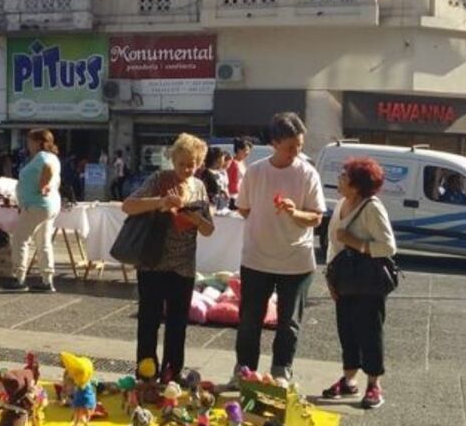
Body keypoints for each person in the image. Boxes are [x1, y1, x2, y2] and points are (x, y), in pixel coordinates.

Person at [235, 112, 325, 387]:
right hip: (256, 258)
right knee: (250, 320)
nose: (295, 152)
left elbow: (317, 217)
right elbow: (243, 208)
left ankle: (281, 371)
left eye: (299, 146)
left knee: (289, 323)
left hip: (296, 260)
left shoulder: (307, 172)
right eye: (290, 147)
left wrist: (294, 212)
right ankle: (244, 371)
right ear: (274, 143)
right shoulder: (256, 171)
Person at [122, 133, 214, 384]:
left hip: (183, 266)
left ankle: (173, 371)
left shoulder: (199, 187)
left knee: (178, 324)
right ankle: (146, 371)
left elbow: (208, 229)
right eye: (182, 163)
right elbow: (128, 206)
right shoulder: (159, 179)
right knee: (148, 321)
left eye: (192, 164)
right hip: (152, 261)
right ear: (172, 160)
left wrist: (195, 218)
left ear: (200, 163)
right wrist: (160, 201)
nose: (186, 169)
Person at [323, 157, 397, 410]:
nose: (339, 179)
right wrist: (329, 277)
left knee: (370, 332)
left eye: (344, 176)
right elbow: (334, 243)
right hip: (344, 278)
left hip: (368, 281)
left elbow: (389, 246)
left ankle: (374, 384)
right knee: (347, 330)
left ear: (356, 184)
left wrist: (355, 242)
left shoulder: (372, 208)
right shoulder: (342, 203)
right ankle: (348, 380)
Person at [8, 129, 62, 292]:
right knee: (43, 242)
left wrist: (43, 185)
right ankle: (47, 280)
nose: (28, 144)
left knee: (20, 239)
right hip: (48, 205)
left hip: (36, 205)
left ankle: (19, 278)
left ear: (39, 142)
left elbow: (47, 169)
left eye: (30, 141)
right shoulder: (53, 157)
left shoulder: (42, 157)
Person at [226, 138, 253, 209]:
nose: (247, 152)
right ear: (238, 150)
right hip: (233, 195)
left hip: (240, 195)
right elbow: (228, 180)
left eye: (249, 150)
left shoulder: (242, 162)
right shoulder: (232, 163)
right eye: (245, 150)